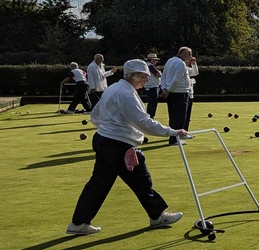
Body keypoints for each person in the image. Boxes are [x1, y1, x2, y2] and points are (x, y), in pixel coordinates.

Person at [66, 59, 188, 235]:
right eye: (144, 77)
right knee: (140, 179)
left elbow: (96, 114)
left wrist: (107, 129)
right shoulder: (126, 93)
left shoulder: (115, 88)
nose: (146, 80)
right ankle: (157, 215)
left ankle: (78, 223)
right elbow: (143, 122)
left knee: (99, 183)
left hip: (104, 140)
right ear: (133, 75)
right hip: (117, 144)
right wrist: (173, 132)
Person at [160, 46, 197, 145]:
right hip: (179, 93)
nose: (191, 57)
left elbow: (163, 76)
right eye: (190, 54)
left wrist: (164, 89)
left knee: (174, 116)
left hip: (172, 93)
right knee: (178, 117)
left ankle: (177, 137)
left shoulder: (170, 61)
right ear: (185, 54)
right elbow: (176, 80)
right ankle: (174, 140)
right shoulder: (181, 63)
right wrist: (167, 90)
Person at [142, 52, 162, 118]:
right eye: (155, 60)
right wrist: (159, 72)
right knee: (153, 102)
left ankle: (150, 116)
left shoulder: (147, 65)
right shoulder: (150, 66)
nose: (156, 61)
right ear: (151, 60)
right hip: (152, 86)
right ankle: (150, 116)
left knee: (152, 102)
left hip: (151, 86)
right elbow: (158, 74)